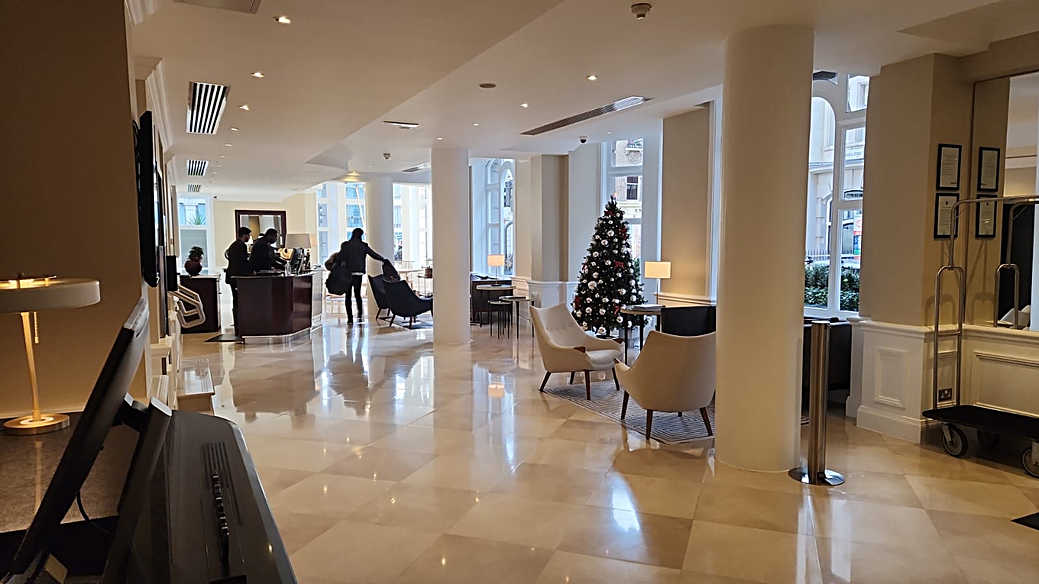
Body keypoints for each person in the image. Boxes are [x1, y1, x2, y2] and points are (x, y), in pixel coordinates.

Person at [325, 228, 386, 323]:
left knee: (348, 296)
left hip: (347, 274)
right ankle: (360, 315)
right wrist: (383, 259)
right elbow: (373, 254)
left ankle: (350, 318)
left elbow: (340, 257)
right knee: (357, 294)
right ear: (361, 235)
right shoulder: (363, 245)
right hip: (358, 274)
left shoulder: (345, 245)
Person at [225, 227, 252, 337]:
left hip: (233, 277)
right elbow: (242, 262)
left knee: (236, 300)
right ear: (244, 235)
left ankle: (238, 325)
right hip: (237, 278)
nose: (249, 237)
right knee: (238, 300)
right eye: (248, 235)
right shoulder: (241, 246)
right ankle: (239, 325)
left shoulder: (234, 245)